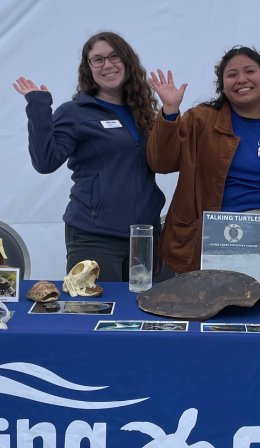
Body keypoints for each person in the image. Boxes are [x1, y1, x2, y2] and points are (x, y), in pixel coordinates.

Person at [148, 47, 260, 285]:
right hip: (208, 233)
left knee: (259, 309)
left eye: (250, 71)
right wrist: (170, 111)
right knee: (205, 307)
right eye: (232, 74)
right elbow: (161, 163)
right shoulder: (199, 120)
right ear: (222, 84)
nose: (241, 80)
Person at [13, 32, 165, 282]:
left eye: (114, 56)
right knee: (95, 312)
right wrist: (38, 107)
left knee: (142, 314)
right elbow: (45, 161)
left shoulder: (144, 114)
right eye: (98, 59)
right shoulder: (75, 113)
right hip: (94, 236)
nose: (108, 64)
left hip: (144, 237)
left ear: (127, 62)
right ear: (88, 67)